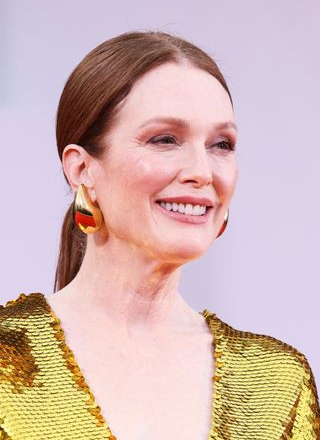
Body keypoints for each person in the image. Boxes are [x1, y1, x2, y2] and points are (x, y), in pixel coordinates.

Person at [0, 30, 319, 440]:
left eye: (221, 144)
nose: (202, 172)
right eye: (165, 139)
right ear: (82, 169)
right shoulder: (10, 360)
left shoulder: (276, 385)